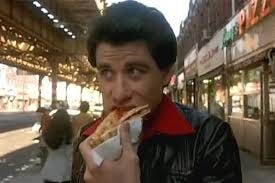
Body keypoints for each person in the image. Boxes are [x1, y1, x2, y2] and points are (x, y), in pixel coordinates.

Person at [71, 1, 242, 183]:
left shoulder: (209, 139)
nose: (119, 94)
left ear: (167, 73)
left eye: (134, 71)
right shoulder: (87, 140)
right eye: (106, 73)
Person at [41, 109, 73, 183]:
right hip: (64, 172)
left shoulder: (47, 134)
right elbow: (69, 155)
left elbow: (44, 148)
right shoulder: (68, 135)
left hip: (49, 170)